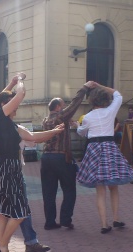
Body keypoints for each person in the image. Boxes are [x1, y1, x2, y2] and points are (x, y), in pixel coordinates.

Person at [0, 73, 64, 252]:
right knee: (20, 213)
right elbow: (20, 94)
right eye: (11, 101)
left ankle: (3, 249)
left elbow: (33, 137)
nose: (16, 104)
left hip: (9, 169)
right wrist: (19, 80)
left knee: (2, 213)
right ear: (4, 105)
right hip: (4, 168)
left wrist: (55, 132)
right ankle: (2, 245)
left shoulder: (11, 125)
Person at [76, 81, 133, 234]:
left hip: (94, 149)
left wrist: (77, 126)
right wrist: (100, 85)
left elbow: (82, 132)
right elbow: (118, 95)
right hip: (109, 147)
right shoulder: (110, 111)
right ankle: (115, 218)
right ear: (105, 99)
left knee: (100, 189)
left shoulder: (88, 117)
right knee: (113, 186)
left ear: (91, 100)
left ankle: (104, 224)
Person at [41, 88, 88, 231]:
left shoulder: (46, 120)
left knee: (48, 192)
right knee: (69, 189)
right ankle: (65, 219)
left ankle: (50, 222)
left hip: (46, 158)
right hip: (61, 157)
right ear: (58, 107)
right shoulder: (61, 116)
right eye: (62, 104)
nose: (64, 106)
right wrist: (84, 89)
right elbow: (74, 105)